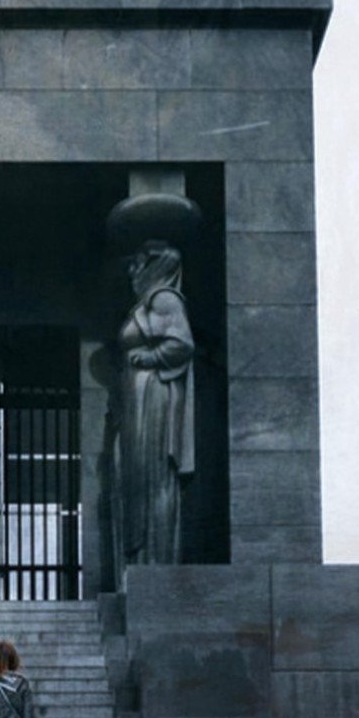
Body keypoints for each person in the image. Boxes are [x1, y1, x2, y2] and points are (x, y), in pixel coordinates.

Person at [116, 240, 196, 568]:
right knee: (139, 476)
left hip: (152, 393)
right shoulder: (150, 300)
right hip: (139, 394)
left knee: (154, 476)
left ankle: (156, 559)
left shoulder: (163, 298)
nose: (132, 272)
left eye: (137, 264)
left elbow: (181, 343)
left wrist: (150, 357)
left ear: (152, 266)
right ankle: (144, 558)